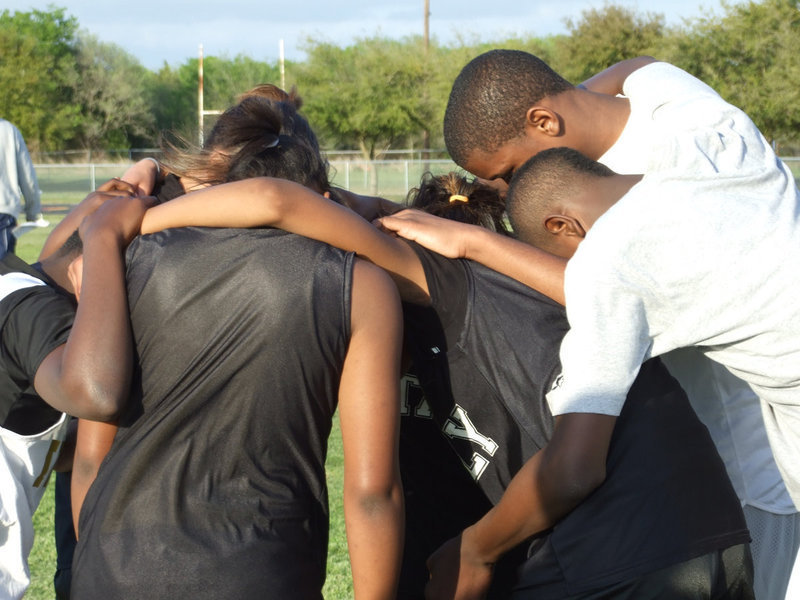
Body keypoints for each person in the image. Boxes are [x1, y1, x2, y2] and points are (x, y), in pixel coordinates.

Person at [137, 171, 754, 599]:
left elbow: (278, 199)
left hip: (624, 558)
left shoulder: (443, 278)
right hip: (712, 540)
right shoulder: (506, 288)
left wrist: (133, 221)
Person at [382, 49, 800, 599]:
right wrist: (558, 99)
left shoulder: (617, 256)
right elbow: (639, 66)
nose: (504, 193)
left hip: (759, 476)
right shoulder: (706, 121)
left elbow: (573, 465)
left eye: (507, 173)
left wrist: (475, 243)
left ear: (543, 121)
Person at [70, 97, 405, 600]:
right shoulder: (364, 286)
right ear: (321, 193)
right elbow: (371, 494)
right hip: (264, 568)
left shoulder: (132, 259)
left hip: (113, 566)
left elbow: (90, 459)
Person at [0, 179, 151, 600]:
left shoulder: (21, 282)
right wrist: (105, 238)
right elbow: (95, 394)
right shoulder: (32, 311)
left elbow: (41, 448)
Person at [0, 119, 47, 257]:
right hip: (4, 211)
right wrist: (33, 212)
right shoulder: (9, 130)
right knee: (3, 267)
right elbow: (27, 177)